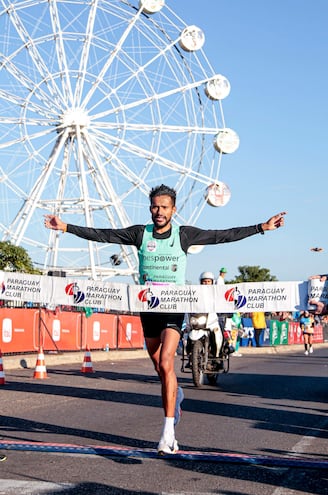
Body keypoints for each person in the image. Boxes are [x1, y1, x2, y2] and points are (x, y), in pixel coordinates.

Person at [44, 184, 286, 454]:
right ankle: (176, 394)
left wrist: (261, 228)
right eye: (155, 207)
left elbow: (222, 235)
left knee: (167, 361)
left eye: (164, 207)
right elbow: (104, 235)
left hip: (173, 306)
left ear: (174, 209)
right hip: (147, 307)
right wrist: (66, 227)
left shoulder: (184, 235)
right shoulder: (140, 233)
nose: (159, 212)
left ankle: (168, 431)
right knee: (159, 366)